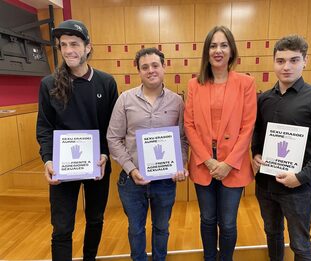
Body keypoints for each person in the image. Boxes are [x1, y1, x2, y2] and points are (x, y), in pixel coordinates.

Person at [251, 35, 311, 261]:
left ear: (305, 61)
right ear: (274, 62)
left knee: (300, 244)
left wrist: (302, 176)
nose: (287, 66)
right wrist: (256, 154)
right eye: (280, 61)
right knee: (272, 234)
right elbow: (258, 133)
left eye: (294, 60)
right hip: (266, 184)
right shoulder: (264, 99)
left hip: (298, 188)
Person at [36, 19, 118, 261]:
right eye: (63, 45)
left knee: (95, 219)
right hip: (63, 167)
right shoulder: (49, 84)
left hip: (97, 165)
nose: (69, 50)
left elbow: (113, 128)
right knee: (62, 228)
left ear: (88, 47)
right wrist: (48, 159)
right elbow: (44, 127)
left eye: (74, 43)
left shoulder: (106, 82)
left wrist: (104, 154)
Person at [106, 47, 188, 261]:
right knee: (136, 229)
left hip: (164, 181)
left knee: (162, 227)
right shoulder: (125, 99)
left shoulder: (177, 102)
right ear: (139, 71)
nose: (150, 70)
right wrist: (131, 169)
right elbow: (113, 138)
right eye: (145, 67)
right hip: (132, 180)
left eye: (155, 65)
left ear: (163, 67)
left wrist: (181, 164)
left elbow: (182, 138)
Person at [184, 25, 257, 260]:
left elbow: (248, 127)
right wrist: (207, 159)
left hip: (232, 164)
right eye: (213, 45)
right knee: (207, 219)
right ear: (206, 51)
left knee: (227, 222)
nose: (218, 50)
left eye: (223, 45)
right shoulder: (195, 84)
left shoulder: (246, 83)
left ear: (231, 50)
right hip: (203, 161)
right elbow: (189, 125)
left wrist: (228, 163)